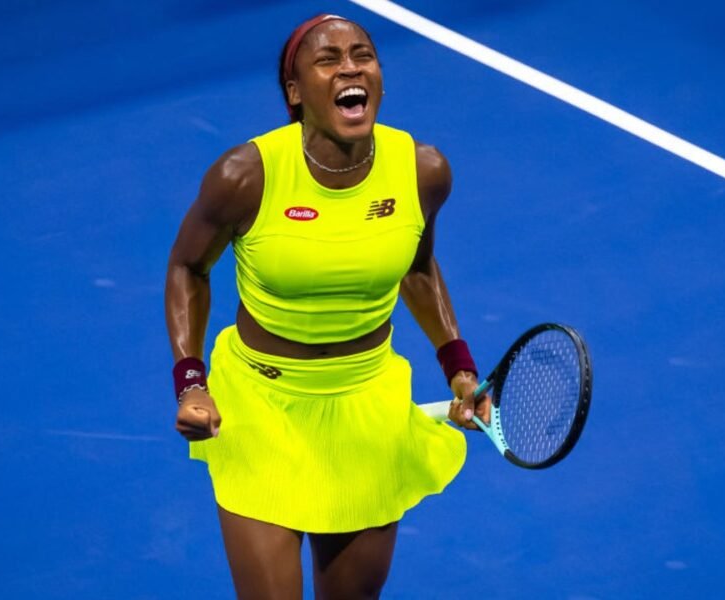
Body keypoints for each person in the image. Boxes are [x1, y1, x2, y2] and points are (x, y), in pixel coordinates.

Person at [164, 13, 491, 598]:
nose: (350, 68)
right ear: (295, 92)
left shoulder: (422, 171)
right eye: (328, 59)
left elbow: (417, 268)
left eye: (363, 55)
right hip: (262, 408)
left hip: (366, 407)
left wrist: (460, 370)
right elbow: (188, 268)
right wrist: (191, 382)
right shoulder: (245, 177)